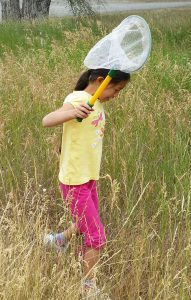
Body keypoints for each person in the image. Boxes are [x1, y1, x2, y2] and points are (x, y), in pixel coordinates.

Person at [42, 68, 130, 298]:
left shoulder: (96, 103)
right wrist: (70, 113)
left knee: (86, 222)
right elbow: (47, 120)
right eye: (116, 89)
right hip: (75, 181)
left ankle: (58, 241)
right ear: (101, 81)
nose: (116, 95)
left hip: (88, 178)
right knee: (96, 236)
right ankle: (88, 287)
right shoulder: (79, 99)